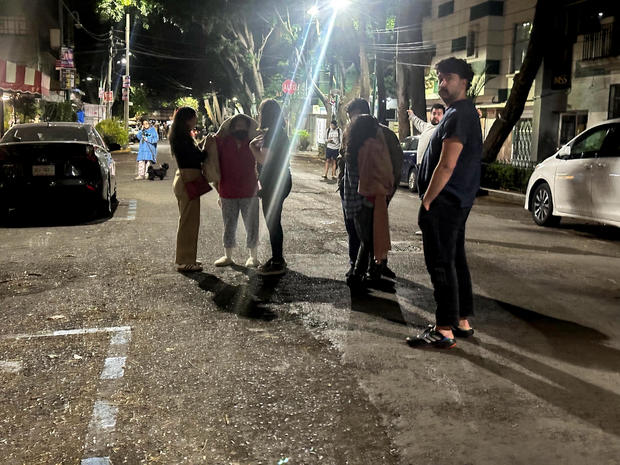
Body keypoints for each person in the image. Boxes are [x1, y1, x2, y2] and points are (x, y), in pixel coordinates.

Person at [406, 57, 482, 349]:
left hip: (445, 202)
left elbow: (447, 164)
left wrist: (427, 200)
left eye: (448, 77)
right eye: (439, 78)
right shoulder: (461, 112)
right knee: (454, 260)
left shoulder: (459, 114)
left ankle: (443, 329)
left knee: (440, 263)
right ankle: (461, 321)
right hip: (456, 201)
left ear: (464, 81)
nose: (443, 83)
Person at [338, 98, 403, 280]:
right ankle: (360, 268)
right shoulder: (351, 133)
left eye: (354, 116)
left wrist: (388, 192)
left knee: (371, 235)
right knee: (360, 233)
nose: (352, 121)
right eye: (350, 118)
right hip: (356, 191)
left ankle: (371, 269)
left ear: (364, 112)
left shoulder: (383, 134)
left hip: (375, 193)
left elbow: (395, 165)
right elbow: (343, 159)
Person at [343, 115, 393, 291]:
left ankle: (362, 274)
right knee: (371, 241)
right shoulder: (370, 147)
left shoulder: (352, 147)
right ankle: (359, 275)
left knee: (367, 240)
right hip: (369, 200)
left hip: (354, 202)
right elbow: (382, 170)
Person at [210, 114, 260, 268]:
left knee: (252, 225)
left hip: (249, 190)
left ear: (247, 128)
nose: (240, 128)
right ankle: (228, 256)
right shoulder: (223, 142)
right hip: (227, 190)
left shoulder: (254, 143)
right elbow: (212, 140)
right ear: (231, 128)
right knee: (228, 225)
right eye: (237, 125)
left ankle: (253, 257)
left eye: (243, 125)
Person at [249, 99, 292, 276]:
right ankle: (276, 258)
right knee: (273, 222)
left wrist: (252, 147)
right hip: (280, 181)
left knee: (272, 223)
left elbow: (264, 160)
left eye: (261, 111)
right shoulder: (279, 132)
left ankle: (277, 261)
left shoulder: (274, 134)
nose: (259, 115)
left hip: (275, 184)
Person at [169, 107, 208, 273]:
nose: (196, 120)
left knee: (188, 220)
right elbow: (197, 157)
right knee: (188, 222)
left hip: (185, 178)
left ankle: (187, 257)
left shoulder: (180, 136)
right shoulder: (183, 137)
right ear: (187, 119)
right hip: (188, 179)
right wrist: (206, 149)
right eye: (194, 117)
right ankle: (185, 261)